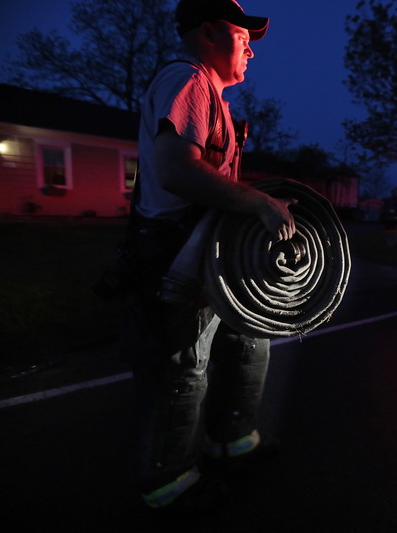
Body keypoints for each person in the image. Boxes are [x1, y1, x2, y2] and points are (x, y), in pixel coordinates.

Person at [120, 0, 294, 513]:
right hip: (175, 262)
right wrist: (260, 203)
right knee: (181, 369)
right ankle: (168, 485)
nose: (251, 52)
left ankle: (231, 442)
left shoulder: (209, 94)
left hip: (206, 263)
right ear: (211, 32)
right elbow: (176, 171)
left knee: (247, 341)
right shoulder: (188, 80)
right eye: (244, 38)